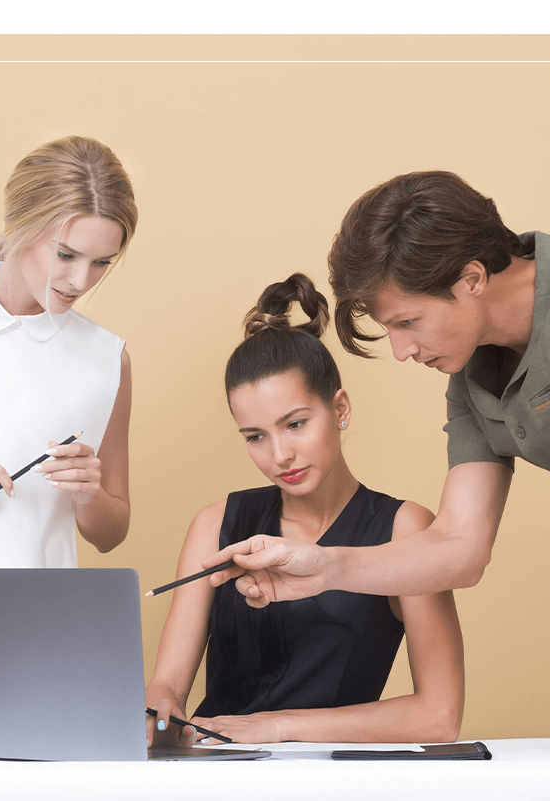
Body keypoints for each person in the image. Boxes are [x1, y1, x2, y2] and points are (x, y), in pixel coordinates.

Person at [203, 171, 550, 758]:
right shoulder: (469, 370)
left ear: (471, 278)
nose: (401, 350)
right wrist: (324, 567)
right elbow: (460, 548)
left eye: (406, 322)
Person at [145, 273, 464, 748]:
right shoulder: (216, 525)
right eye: (255, 436)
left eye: (295, 424)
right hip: (214, 771)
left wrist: (275, 728)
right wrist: (158, 710)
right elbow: (167, 686)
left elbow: (439, 716)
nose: (280, 456)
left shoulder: (405, 529)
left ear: (340, 409)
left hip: (328, 780)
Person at [0, 135, 138, 568]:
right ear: (20, 224)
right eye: (66, 254)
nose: (79, 280)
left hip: (34, 618)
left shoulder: (105, 359)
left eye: (101, 262)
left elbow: (111, 535)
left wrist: (90, 494)